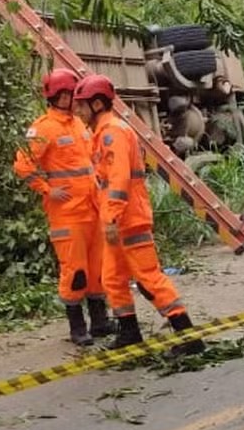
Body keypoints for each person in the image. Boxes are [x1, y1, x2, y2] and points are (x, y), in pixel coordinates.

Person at [71, 74, 204, 355]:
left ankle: (189, 337)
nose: (77, 111)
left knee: (148, 278)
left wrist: (111, 217)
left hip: (127, 219)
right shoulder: (102, 133)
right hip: (117, 220)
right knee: (112, 279)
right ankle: (130, 333)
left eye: (81, 105)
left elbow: (118, 181)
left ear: (96, 104)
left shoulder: (113, 133)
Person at [14, 69, 112, 344]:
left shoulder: (79, 124)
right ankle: (77, 328)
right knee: (75, 271)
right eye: (72, 94)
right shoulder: (44, 128)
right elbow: (23, 164)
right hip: (67, 213)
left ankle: (100, 322)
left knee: (97, 269)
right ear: (59, 96)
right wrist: (47, 189)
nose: (76, 100)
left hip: (92, 208)